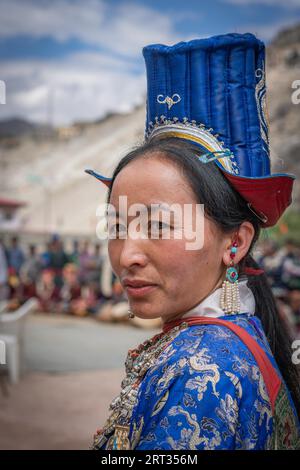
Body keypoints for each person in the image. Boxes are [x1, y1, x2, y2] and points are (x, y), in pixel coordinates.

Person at [86, 33, 300, 450]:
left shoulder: (199, 373)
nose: (127, 255)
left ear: (235, 243)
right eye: (116, 227)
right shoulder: (233, 337)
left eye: (160, 227)